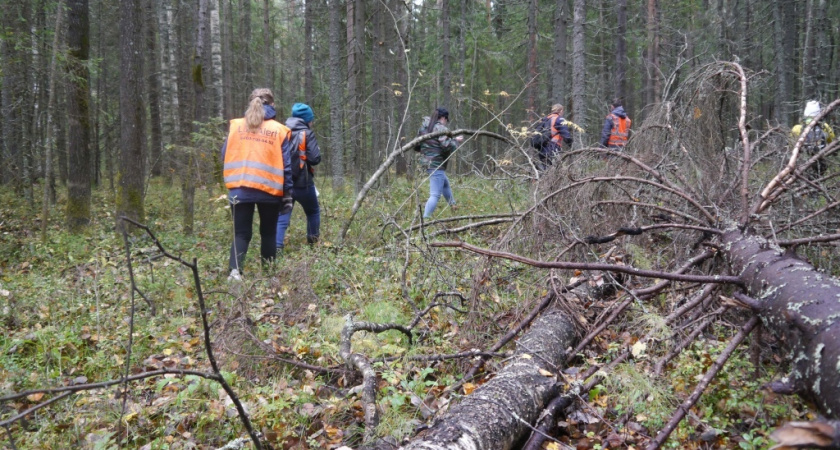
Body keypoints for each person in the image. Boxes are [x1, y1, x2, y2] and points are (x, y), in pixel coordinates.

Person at [222, 88, 293, 281]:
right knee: (268, 233)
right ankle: (270, 276)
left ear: (250, 103)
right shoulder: (279, 130)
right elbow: (286, 166)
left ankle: (235, 274)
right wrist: (287, 194)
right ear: (272, 105)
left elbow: (224, 155)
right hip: (270, 190)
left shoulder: (236, 126)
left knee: (241, 233)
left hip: (239, 188)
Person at [275, 103, 322, 250]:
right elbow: (315, 159)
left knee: (282, 217)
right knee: (313, 212)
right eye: (311, 119)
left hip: (284, 183)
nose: (312, 122)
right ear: (307, 120)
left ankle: (276, 248)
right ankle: (313, 246)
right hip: (303, 183)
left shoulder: (281, 131)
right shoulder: (307, 133)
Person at [417, 107, 462, 219]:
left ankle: (453, 206)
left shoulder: (424, 127)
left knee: (445, 184)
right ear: (443, 118)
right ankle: (425, 220)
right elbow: (446, 146)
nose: (446, 122)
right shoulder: (440, 128)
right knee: (435, 195)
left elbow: (417, 145)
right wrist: (456, 140)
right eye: (447, 120)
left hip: (426, 163)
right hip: (436, 164)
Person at [791, 100, 835, 175]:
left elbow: (791, 146)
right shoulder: (825, 127)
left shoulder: (797, 128)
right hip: (820, 164)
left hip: (801, 164)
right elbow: (833, 142)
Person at [535, 104, 573, 169]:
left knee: (545, 170)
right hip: (552, 148)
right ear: (561, 111)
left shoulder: (545, 119)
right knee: (554, 170)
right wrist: (572, 145)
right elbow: (566, 136)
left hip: (541, 149)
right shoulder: (559, 119)